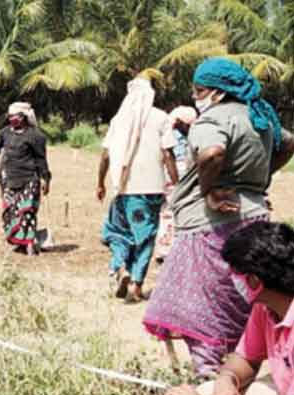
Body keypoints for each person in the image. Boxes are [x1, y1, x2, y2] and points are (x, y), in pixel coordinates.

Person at [144, 58, 294, 377]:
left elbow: (211, 153)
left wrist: (210, 189)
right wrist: (259, 178)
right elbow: (289, 142)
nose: (196, 96)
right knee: (242, 295)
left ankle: (209, 372)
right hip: (254, 218)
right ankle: (239, 363)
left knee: (200, 303)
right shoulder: (259, 117)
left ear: (216, 92)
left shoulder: (212, 120)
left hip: (209, 224)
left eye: (199, 90)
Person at [164, 221, 294, 395]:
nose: (233, 282)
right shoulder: (268, 307)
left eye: (236, 275)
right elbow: (244, 357)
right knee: (209, 393)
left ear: (254, 281)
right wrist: (227, 379)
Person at [97, 77, 179, 303]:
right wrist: (177, 183)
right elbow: (168, 154)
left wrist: (100, 182)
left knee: (116, 233)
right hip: (150, 191)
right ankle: (135, 284)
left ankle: (120, 267)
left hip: (122, 189)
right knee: (145, 238)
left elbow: (105, 155)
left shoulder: (118, 119)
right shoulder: (161, 118)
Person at [0, 102, 52, 256]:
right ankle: (19, 242)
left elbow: (41, 160)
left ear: (22, 117)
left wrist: (45, 179)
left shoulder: (36, 136)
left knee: (27, 211)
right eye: (9, 116)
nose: (10, 119)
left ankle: (29, 244)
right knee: (10, 212)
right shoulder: (5, 133)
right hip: (8, 178)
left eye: (13, 116)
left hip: (29, 178)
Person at [155, 106, 197, 262]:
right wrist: (177, 182)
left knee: (166, 212)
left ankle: (164, 248)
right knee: (175, 211)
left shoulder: (166, 131)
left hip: (165, 175)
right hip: (176, 174)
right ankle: (172, 248)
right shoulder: (179, 136)